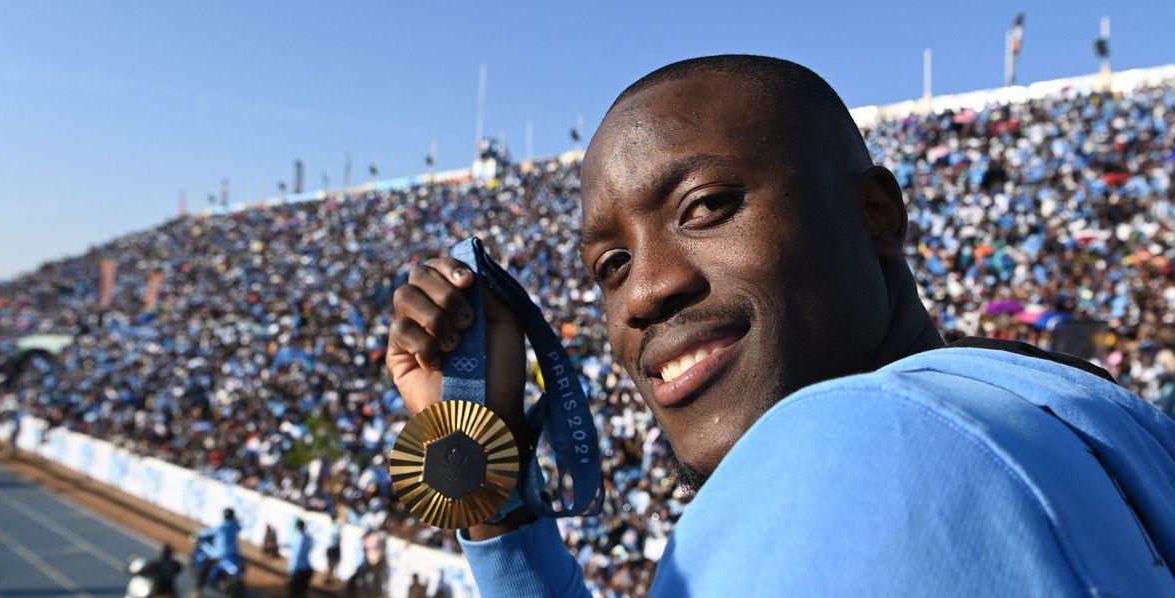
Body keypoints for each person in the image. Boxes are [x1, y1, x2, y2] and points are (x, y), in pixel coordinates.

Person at [386, 55, 1175, 596]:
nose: (644, 294)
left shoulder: (859, 442)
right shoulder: (1052, 407)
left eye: (706, 208)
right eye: (611, 267)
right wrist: (495, 502)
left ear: (875, 214)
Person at [195, 508, 241, 594]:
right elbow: (239, 526)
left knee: (204, 568)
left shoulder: (222, 527)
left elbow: (208, 532)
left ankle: (198, 589)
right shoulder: (235, 525)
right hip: (233, 553)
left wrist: (198, 534)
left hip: (220, 554)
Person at [285, 518, 314, 598]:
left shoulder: (297, 537)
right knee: (301, 592)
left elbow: (297, 556)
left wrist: (291, 571)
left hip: (299, 570)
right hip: (307, 568)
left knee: (293, 593)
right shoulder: (307, 537)